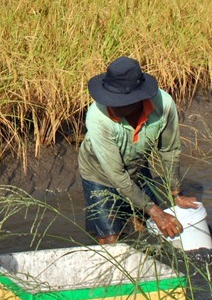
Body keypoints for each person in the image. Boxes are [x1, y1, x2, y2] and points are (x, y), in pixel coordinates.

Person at [78, 56, 199, 245]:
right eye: (109, 98)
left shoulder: (163, 105)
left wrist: (176, 194)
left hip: (136, 166)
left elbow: (170, 150)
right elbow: (116, 175)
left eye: (119, 101)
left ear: (138, 99)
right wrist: (157, 212)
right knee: (111, 240)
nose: (111, 104)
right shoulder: (98, 118)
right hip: (99, 175)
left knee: (147, 227)